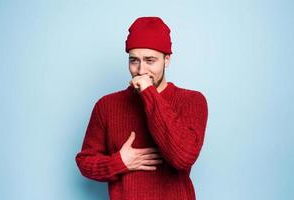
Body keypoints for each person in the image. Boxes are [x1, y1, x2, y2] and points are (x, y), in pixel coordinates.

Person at [75, 16, 208, 200]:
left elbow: (182, 158)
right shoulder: (106, 105)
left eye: (150, 60)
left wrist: (148, 93)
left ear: (167, 60)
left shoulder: (192, 101)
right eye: (134, 60)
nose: (141, 70)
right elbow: (85, 162)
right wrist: (119, 162)